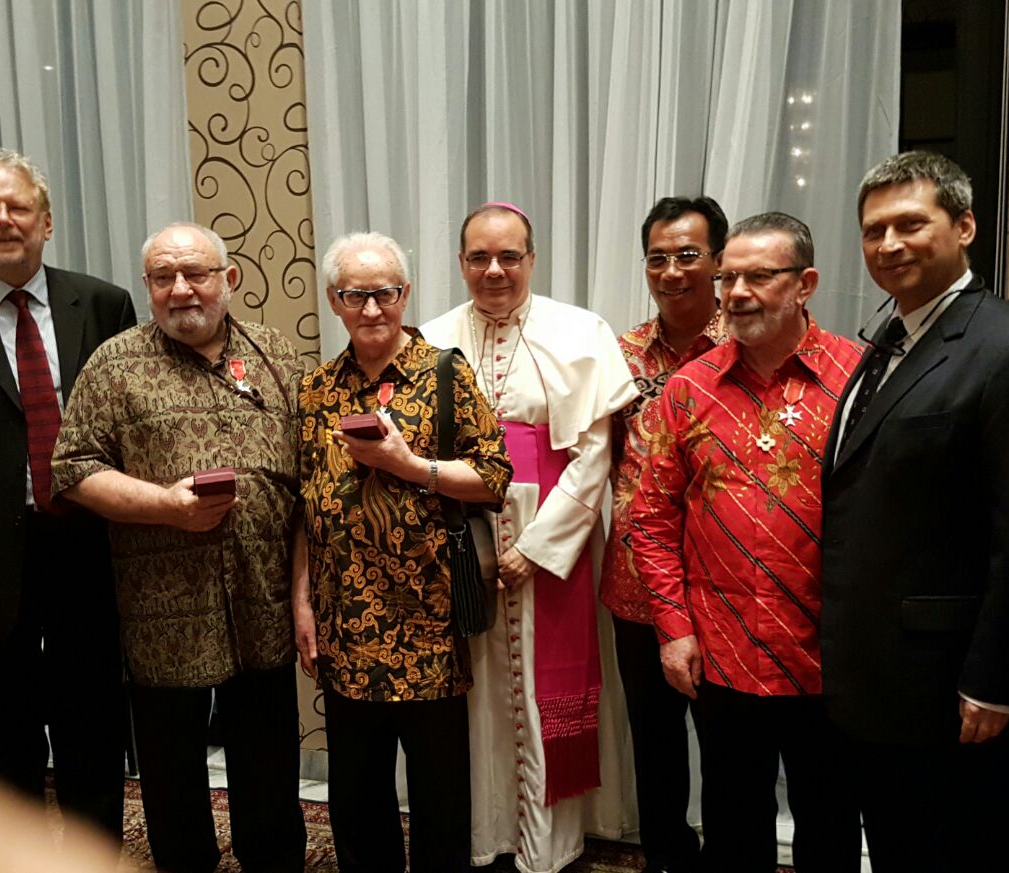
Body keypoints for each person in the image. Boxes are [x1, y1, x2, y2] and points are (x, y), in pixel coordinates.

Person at [819, 151, 1009, 873]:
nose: (889, 244)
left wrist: (994, 679)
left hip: (953, 689)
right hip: (877, 681)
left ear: (964, 226)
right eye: (874, 230)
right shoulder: (890, 340)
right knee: (899, 852)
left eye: (910, 224)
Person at [51, 222, 307, 872]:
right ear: (148, 286)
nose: (181, 288)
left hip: (263, 600)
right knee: (172, 774)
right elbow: (72, 469)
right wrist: (166, 505)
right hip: (163, 610)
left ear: (230, 279)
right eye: (163, 277)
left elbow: (312, 477)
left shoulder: (279, 357)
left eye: (196, 273)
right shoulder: (114, 365)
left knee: (270, 762)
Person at [631, 212, 863, 873]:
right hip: (723, 652)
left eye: (758, 276)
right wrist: (674, 629)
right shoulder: (688, 388)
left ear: (805, 283)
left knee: (829, 826)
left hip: (830, 653)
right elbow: (650, 518)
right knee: (734, 832)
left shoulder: (860, 378)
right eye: (728, 277)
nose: (735, 293)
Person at [0, 148, 132, 843]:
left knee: (92, 725)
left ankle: (95, 852)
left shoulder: (102, 304)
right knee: (5, 736)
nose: (3, 220)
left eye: (19, 207)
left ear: (47, 222)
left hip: (87, 546)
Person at [422, 203, 637, 872]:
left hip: (554, 536)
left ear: (532, 260)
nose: (494, 270)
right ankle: (488, 834)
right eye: (479, 258)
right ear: (461, 263)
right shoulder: (429, 339)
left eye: (509, 256)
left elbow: (596, 455)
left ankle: (550, 846)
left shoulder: (581, 331)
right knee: (478, 694)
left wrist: (537, 548)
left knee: (549, 690)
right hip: (467, 535)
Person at [294, 232, 512, 873]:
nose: (371, 309)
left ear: (405, 293)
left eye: (384, 293)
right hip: (344, 626)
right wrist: (301, 603)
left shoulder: (444, 374)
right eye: (354, 295)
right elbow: (305, 506)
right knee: (357, 796)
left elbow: (494, 478)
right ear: (334, 300)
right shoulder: (315, 390)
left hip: (428, 624)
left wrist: (409, 465)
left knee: (440, 795)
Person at [599, 195, 728, 873]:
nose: (672, 271)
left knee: (731, 746)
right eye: (657, 258)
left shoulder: (746, 345)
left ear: (718, 260)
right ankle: (667, 855)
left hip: (727, 587)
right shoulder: (619, 356)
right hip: (636, 587)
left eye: (688, 255)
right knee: (654, 741)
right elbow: (596, 459)